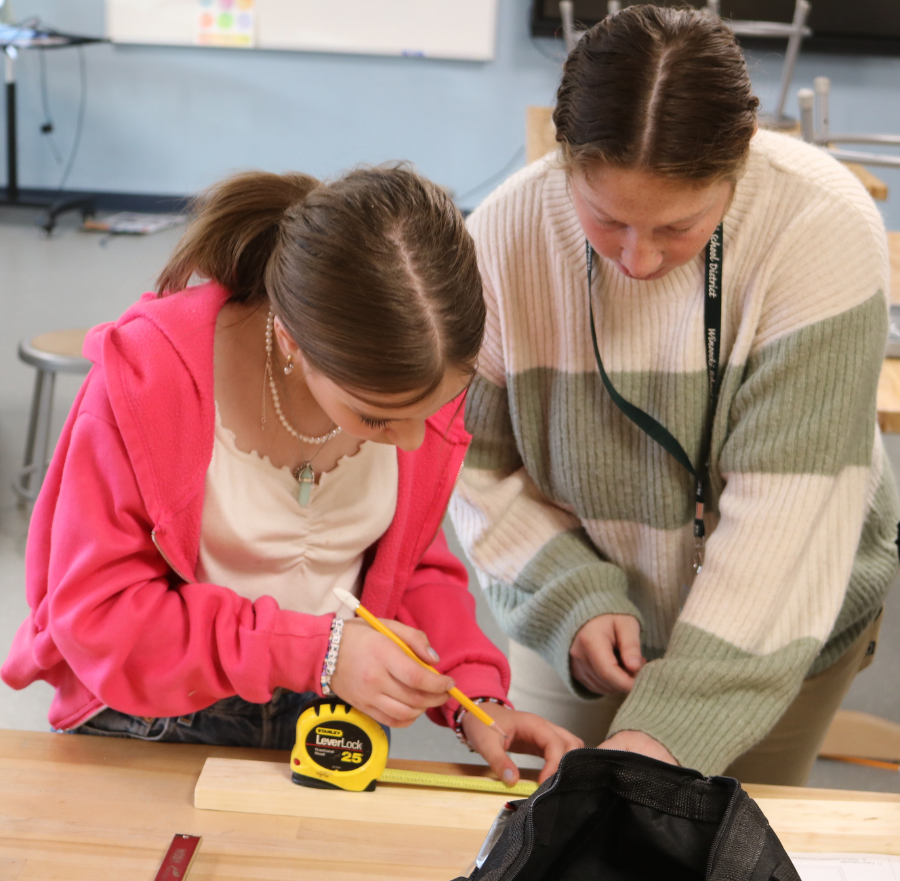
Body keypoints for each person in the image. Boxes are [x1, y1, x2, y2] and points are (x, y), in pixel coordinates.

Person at [1, 166, 581, 786]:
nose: (414, 440)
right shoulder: (150, 380)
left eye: (430, 410)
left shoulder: (413, 384)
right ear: (290, 341)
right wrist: (317, 651)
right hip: (152, 720)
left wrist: (475, 698)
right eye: (375, 417)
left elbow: (407, 568)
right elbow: (100, 617)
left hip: (330, 723)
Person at [450, 5, 899, 785]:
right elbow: (470, 467)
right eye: (607, 219)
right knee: (541, 842)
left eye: (679, 228)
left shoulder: (821, 228)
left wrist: (668, 731)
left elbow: (788, 520)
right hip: (582, 631)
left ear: (739, 167)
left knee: (729, 852)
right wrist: (571, 595)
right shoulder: (501, 236)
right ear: (565, 161)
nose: (639, 260)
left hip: (777, 635)